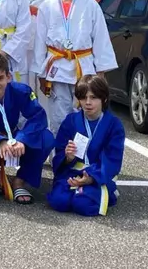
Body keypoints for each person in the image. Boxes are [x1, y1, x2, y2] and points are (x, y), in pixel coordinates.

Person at [32, 0, 117, 135]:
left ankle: (85, 151)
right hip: (57, 68)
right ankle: (60, 151)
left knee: (86, 113)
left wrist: (100, 72)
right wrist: (41, 73)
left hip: (84, 67)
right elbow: (40, 41)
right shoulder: (46, 7)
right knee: (58, 116)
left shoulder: (91, 6)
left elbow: (100, 39)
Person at [0, 52, 54, 205]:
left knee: (46, 138)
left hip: (14, 137)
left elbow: (38, 117)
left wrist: (22, 139)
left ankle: (20, 181)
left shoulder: (22, 91)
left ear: (8, 76)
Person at [47, 75, 125, 216]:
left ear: (104, 98)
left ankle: (106, 191)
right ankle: (79, 191)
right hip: (71, 173)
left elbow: (112, 158)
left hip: (96, 175)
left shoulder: (114, 125)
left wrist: (91, 178)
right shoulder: (70, 120)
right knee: (59, 201)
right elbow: (59, 149)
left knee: (83, 205)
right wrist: (67, 157)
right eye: (83, 98)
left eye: (93, 97)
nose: (88, 102)